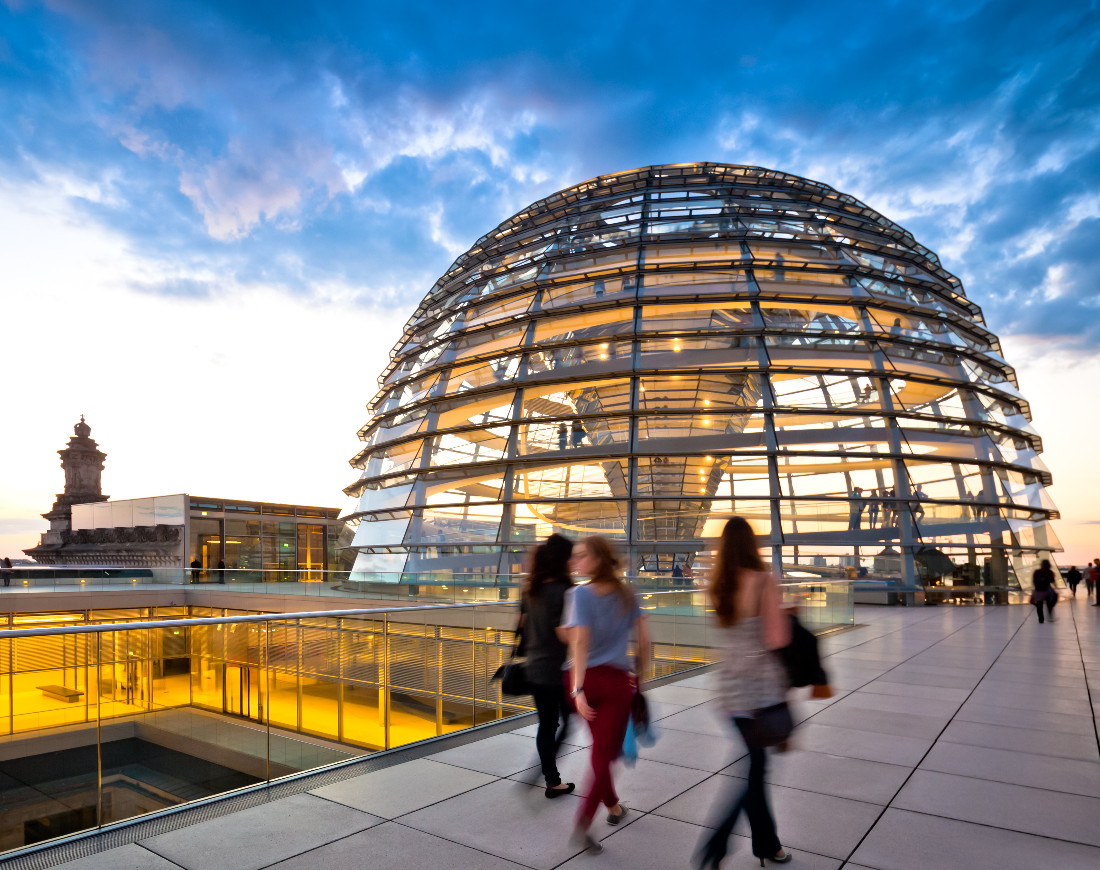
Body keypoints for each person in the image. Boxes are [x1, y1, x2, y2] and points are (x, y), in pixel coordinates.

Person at [696, 517, 792, 869]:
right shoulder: (763, 581)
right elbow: (777, 638)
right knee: (753, 771)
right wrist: (787, 613)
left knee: (755, 766)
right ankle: (718, 842)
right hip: (758, 691)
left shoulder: (717, 585)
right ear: (752, 544)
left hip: (728, 689)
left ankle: (769, 844)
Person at [565, 536, 650, 854]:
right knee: (605, 754)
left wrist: (577, 689)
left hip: (580, 680)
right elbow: (644, 642)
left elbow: (579, 643)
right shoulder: (629, 595)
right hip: (614, 685)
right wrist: (640, 676)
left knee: (601, 751)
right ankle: (583, 822)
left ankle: (613, 806)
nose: (575, 562)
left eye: (582, 556)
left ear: (599, 559)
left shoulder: (579, 594)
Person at [518, 534, 576, 799]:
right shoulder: (564, 591)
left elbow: (522, 625)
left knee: (547, 724)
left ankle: (549, 777)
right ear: (562, 560)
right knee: (567, 721)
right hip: (557, 670)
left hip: (534, 666)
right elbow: (564, 634)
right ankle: (549, 777)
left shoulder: (531, 588)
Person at [1031, 559, 1058, 623]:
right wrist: (1056, 587)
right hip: (1047, 591)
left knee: (1039, 605)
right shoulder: (1050, 572)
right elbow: (1052, 581)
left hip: (1038, 591)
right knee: (1049, 603)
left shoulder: (1036, 571)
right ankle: (1050, 615)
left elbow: (1034, 581)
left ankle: (1041, 619)